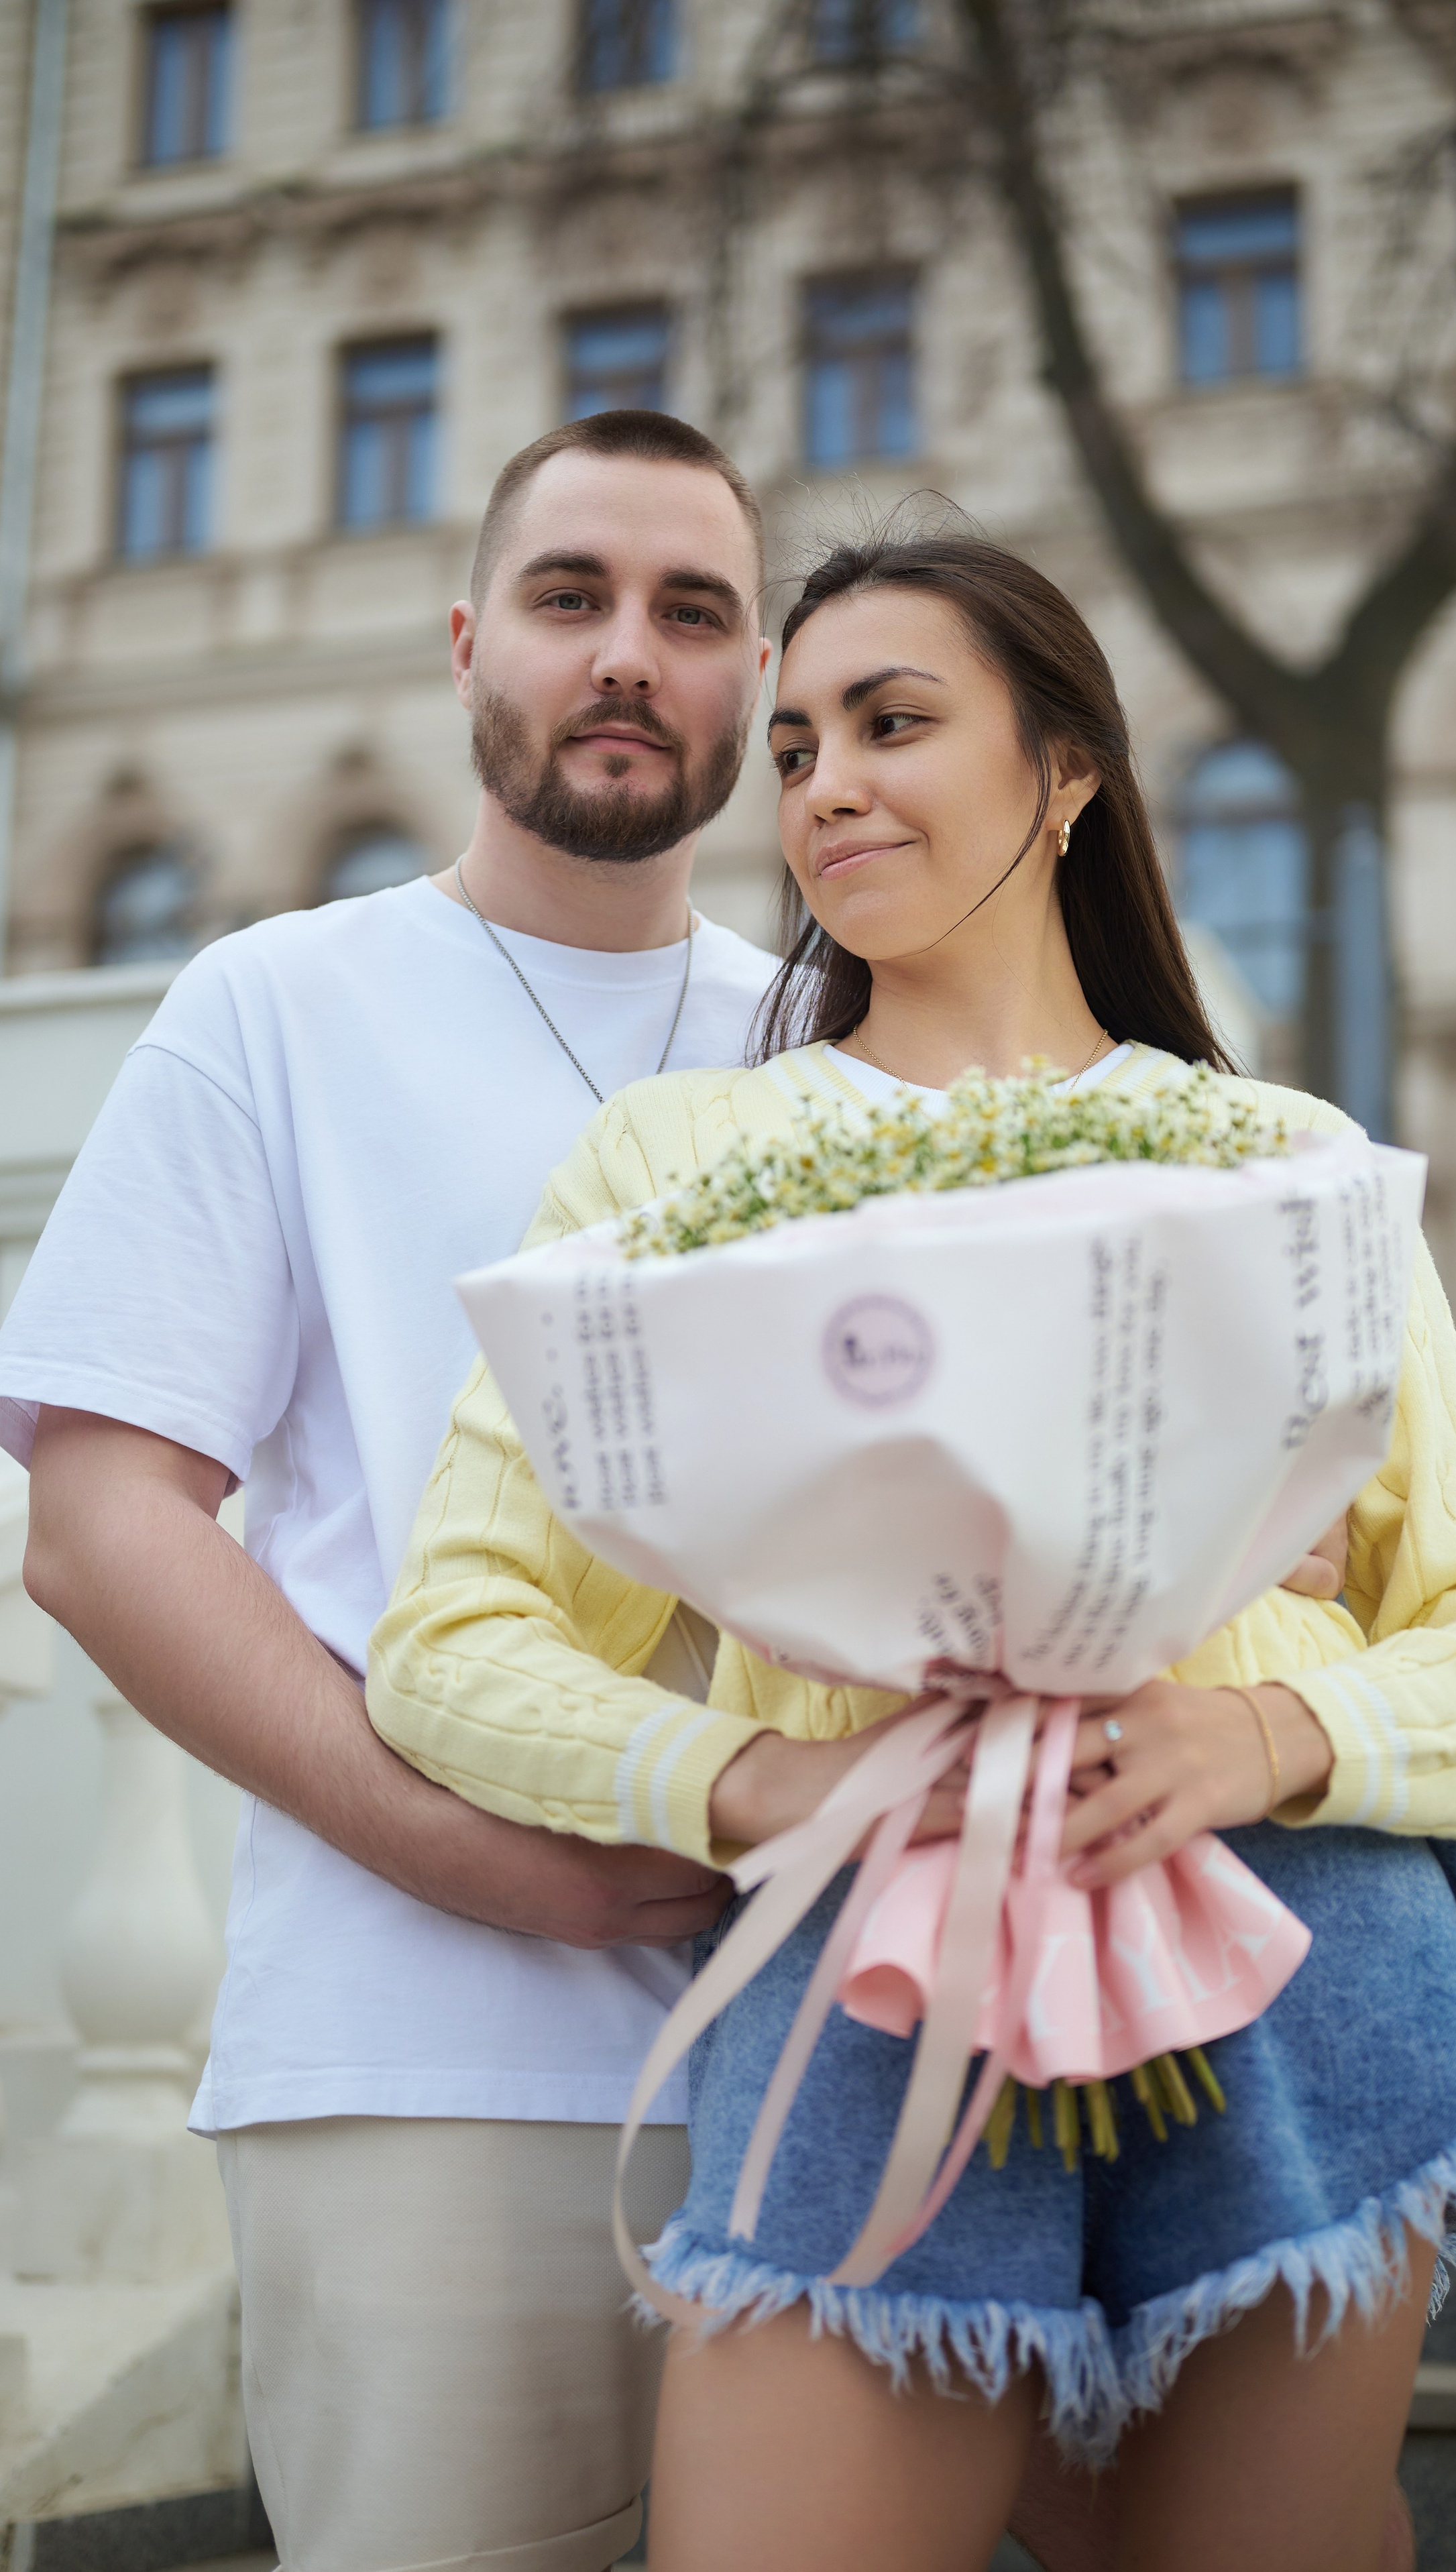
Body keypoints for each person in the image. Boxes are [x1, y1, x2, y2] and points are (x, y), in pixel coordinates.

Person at [368, 530, 1456, 2572]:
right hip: (865, 1965)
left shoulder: (1281, 1159)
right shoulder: (675, 1166)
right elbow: (454, 1634)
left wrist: (1257, 1735)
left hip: (1303, 1944)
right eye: (797, 741)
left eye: (895, 725)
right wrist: (759, 1777)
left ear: (1068, 769)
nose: (823, 785)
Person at [4, 410, 784, 2572]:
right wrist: (468, 1851)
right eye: (572, 597)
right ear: (471, 648)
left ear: (754, 683)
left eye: (692, 611)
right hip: (418, 2055)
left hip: (830, 2044)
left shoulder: (853, 1039)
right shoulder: (277, 1004)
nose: (628, 652)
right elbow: (99, 1519)